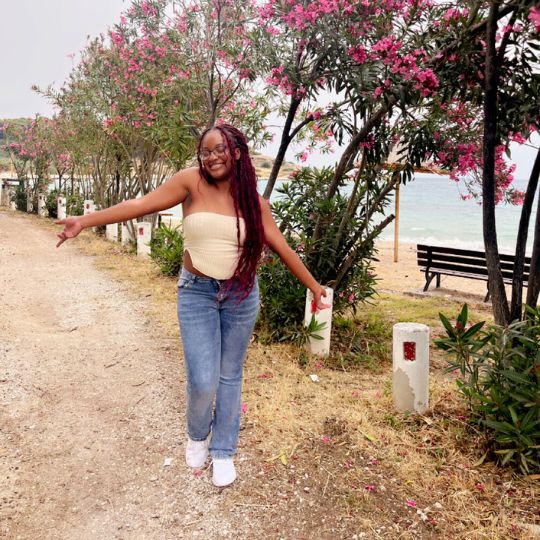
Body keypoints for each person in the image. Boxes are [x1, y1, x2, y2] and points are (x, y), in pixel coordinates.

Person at [56, 123, 329, 487]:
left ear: (236, 152)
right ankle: (197, 434)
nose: (212, 157)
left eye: (220, 150)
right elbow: (138, 205)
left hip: (241, 295)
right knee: (202, 379)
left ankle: (224, 450)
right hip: (196, 292)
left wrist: (313, 287)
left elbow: (281, 247)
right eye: (206, 151)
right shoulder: (189, 183)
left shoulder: (254, 203)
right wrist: (84, 221)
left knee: (229, 375)